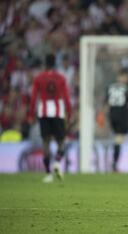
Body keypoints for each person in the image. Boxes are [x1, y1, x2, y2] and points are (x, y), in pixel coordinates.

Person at [29, 54, 72, 183]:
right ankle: (57, 162)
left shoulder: (39, 78)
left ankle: (48, 174)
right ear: (55, 63)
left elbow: (33, 98)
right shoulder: (61, 78)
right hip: (57, 112)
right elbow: (66, 98)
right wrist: (69, 112)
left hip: (44, 112)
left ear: (45, 64)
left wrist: (31, 114)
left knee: (46, 143)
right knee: (61, 141)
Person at [105, 69, 128, 172]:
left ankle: (114, 162)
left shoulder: (110, 87)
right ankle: (114, 164)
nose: (126, 79)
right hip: (121, 114)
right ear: (122, 77)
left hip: (112, 115)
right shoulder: (125, 88)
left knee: (117, 137)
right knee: (119, 139)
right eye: (125, 77)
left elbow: (106, 102)